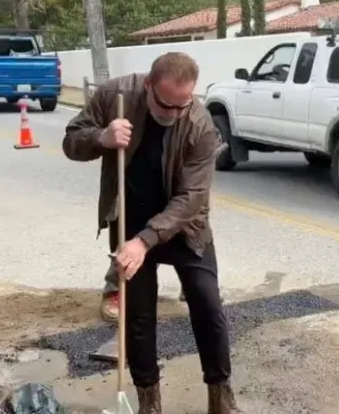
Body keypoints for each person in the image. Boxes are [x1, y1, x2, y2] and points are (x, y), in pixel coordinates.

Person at [63, 52, 241, 414]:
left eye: (183, 104)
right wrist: (102, 137)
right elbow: (71, 142)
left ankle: (220, 396)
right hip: (130, 220)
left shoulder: (200, 123)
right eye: (166, 105)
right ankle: (149, 400)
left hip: (183, 225)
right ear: (147, 86)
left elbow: (192, 197)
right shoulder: (116, 96)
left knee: (207, 304)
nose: (174, 114)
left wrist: (147, 240)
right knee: (139, 316)